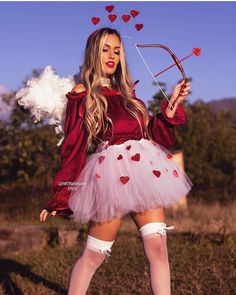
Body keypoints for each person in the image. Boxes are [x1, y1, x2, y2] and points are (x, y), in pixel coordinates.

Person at [39, 27, 192, 295]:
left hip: (146, 174)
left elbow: (154, 135)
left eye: (117, 50)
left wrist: (172, 104)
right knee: (94, 256)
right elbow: (73, 148)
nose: (112, 55)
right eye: (105, 49)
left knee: (158, 249)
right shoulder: (83, 93)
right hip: (109, 177)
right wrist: (61, 195)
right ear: (93, 54)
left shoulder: (130, 96)